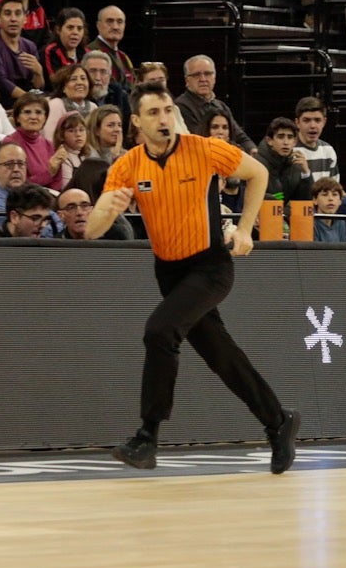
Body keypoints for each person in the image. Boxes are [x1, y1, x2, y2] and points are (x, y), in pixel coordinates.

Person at [86, 85, 298, 474]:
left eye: (167, 110)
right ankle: (278, 421)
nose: (164, 118)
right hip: (169, 271)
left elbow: (259, 173)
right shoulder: (128, 164)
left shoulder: (203, 149)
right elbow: (92, 231)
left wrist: (247, 230)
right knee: (221, 356)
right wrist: (105, 207)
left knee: (159, 331)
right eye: (153, 113)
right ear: (137, 122)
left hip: (210, 265)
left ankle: (146, 437)